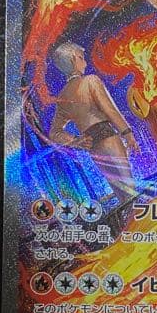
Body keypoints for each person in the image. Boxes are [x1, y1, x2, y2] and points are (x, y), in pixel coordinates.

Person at [48, 42, 139, 205]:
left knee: (120, 194)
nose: (85, 63)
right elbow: (110, 110)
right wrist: (127, 133)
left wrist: (75, 141)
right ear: (74, 60)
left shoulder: (62, 97)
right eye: (82, 58)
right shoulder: (90, 80)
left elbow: (54, 133)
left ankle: (130, 219)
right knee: (130, 189)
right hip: (108, 137)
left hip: (93, 147)